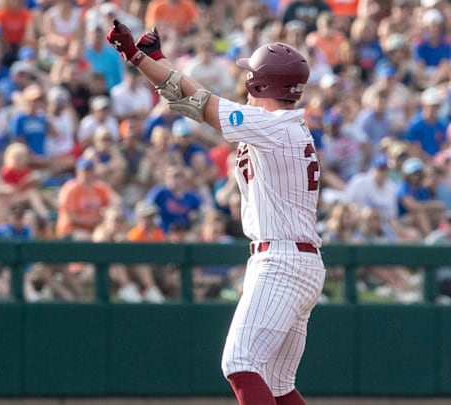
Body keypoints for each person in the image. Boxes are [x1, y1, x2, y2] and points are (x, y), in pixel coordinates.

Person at [106, 20, 325, 404]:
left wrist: (139, 58)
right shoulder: (282, 126)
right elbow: (192, 100)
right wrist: (154, 60)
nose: (244, 81)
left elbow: (200, 103)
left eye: (249, 76)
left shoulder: (271, 127)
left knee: (240, 363)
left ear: (259, 84)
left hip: (281, 259)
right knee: (277, 386)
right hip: (298, 259)